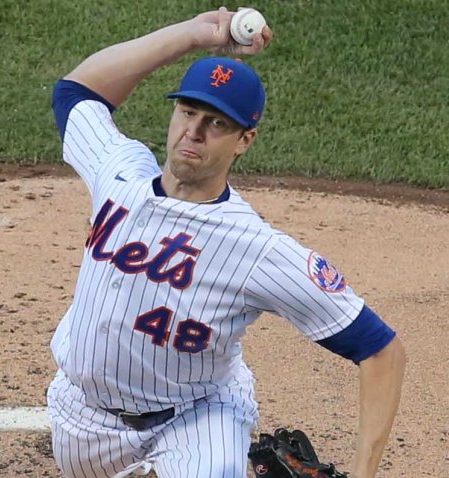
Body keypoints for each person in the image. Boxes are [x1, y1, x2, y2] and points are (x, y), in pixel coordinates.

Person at [46, 7, 406, 478]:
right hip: (82, 419)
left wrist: (364, 472)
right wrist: (193, 35)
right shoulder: (118, 171)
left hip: (196, 419)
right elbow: (76, 91)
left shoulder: (255, 249)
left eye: (216, 123)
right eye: (188, 112)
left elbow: (380, 350)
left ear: (244, 140)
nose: (193, 132)